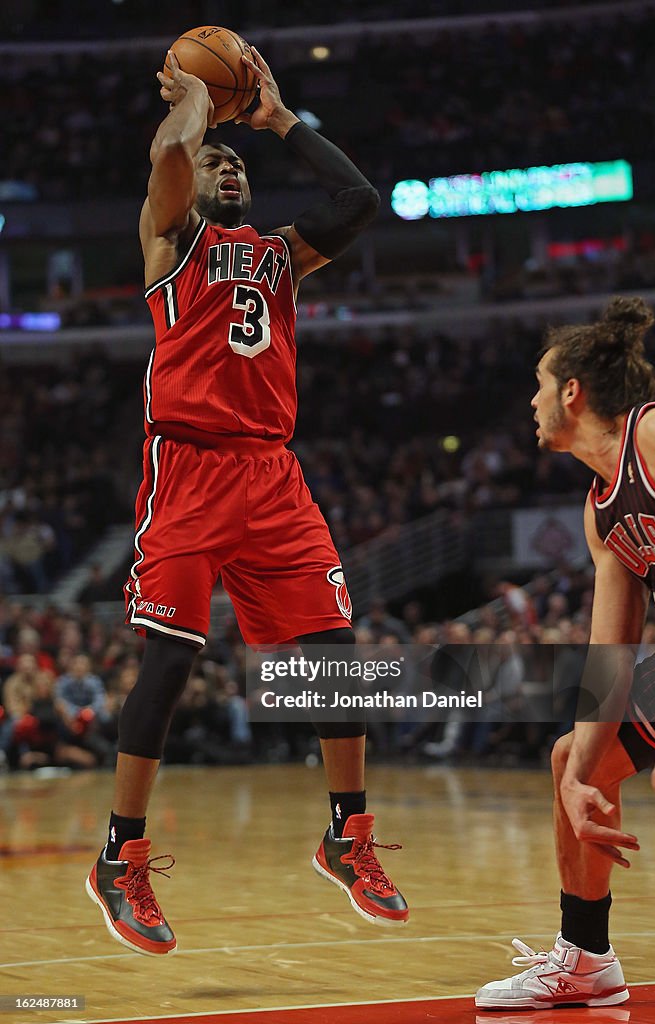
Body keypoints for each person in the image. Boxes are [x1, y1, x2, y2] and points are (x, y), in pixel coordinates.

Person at [85, 46, 407, 956]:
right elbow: (168, 165)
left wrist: (276, 123)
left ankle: (347, 836)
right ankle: (121, 855)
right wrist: (191, 107)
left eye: (239, 167)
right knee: (172, 661)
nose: (227, 170)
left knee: (333, 654)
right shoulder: (170, 241)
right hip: (187, 469)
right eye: (216, 161)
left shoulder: (280, 257)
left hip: (272, 477)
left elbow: (359, 203)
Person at [476, 296, 655, 1009]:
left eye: (540, 384)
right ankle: (585, 957)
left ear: (572, 392)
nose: (532, 400)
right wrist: (584, 779)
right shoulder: (602, 504)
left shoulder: (652, 435)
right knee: (570, 760)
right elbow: (612, 646)